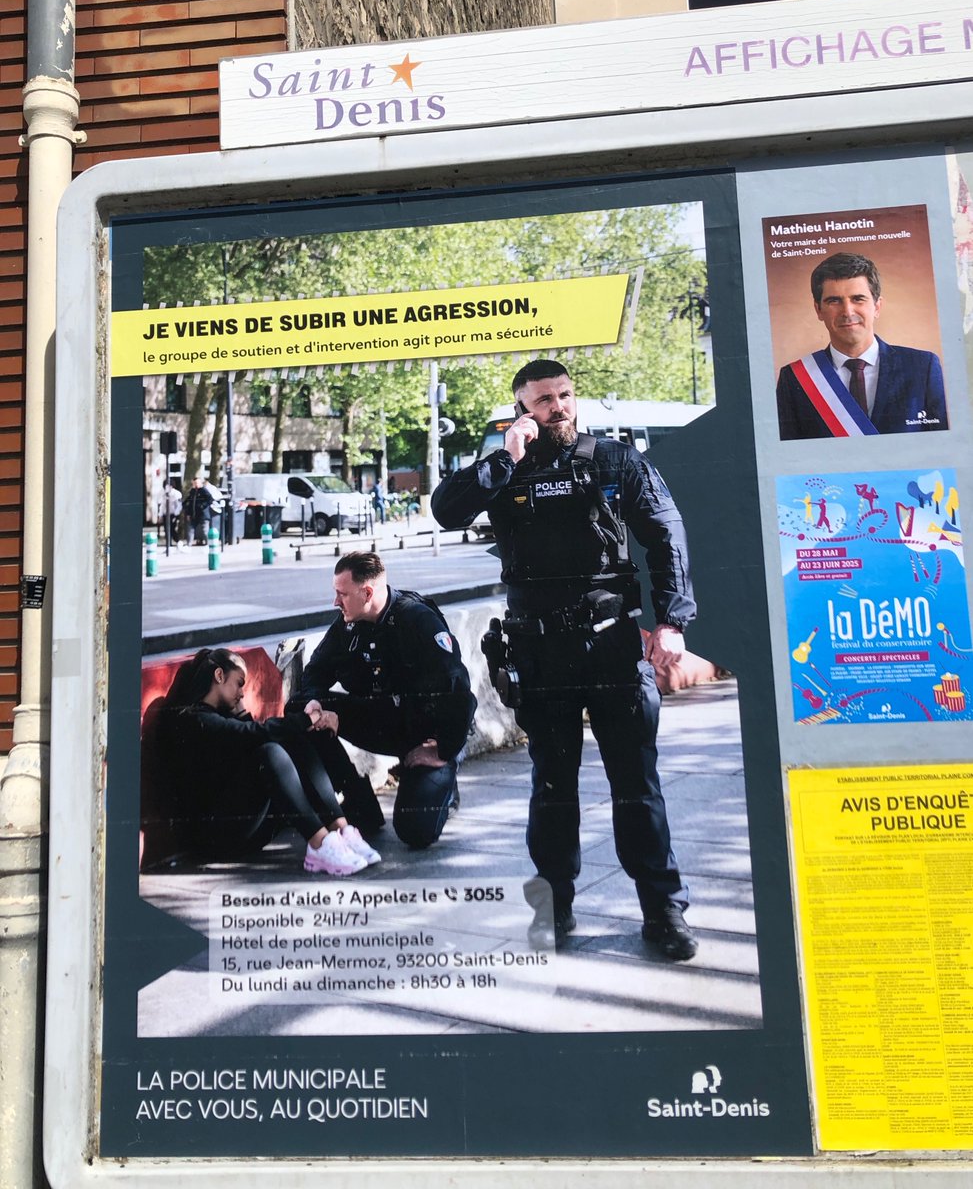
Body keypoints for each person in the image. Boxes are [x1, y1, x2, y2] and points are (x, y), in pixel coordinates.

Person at [431, 359, 697, 961]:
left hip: (610, 643)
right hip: (538, 650)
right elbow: (446, 510)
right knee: (552, 788)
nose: (558, 407)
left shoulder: (613, 460)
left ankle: (664, 911)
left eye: (565, 395)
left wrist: (673, 620)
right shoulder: (503, 467)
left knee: (637, 786)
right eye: (543, 400)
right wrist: (503, 459)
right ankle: (555, 908)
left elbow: (666, 532)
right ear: (523, 408)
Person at [288, 552, 477, 850]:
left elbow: (459, 691)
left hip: (426, 733)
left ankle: (445, 777)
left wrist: (443, 748)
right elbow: (315, 672)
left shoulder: (416, 619)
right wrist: (315, 707)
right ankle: (359, 803)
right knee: (299, 710)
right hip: (384, 717)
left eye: (342, 594)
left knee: (415, 832)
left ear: (367, 592)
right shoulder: (349, 622)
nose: (335, 602)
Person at [147, 647, 380, 874]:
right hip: (215, 838)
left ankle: (341, 830)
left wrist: (242, 711)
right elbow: (252, 735)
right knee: (270, 752)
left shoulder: (221, 716)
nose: (242, 693)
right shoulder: (192, 719)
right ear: (219, 675)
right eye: (239, 684)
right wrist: (306, 719)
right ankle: (319, 845)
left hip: (248, 829)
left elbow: (249, 734)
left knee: (293, 740)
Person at [775, 251, 948, 440]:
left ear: (877, 306)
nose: (847, 312)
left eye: (858, 299)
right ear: (818, 310)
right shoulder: (793, 379)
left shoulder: (922, 367)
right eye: (834, 301)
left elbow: (942, 447)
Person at [183, 475, 214, 545]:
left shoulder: (204, 491)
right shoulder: (192, 492)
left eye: (197, 483)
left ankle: (208, 544)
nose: (196, 485)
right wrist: (188, 513)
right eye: (194, 483)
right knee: (190, 529)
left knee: (205, 530)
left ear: (200, 483)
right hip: (193, 514)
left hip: (203, 514)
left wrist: (202, 506)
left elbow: (210, 499)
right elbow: (189, 503)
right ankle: (189, 544)